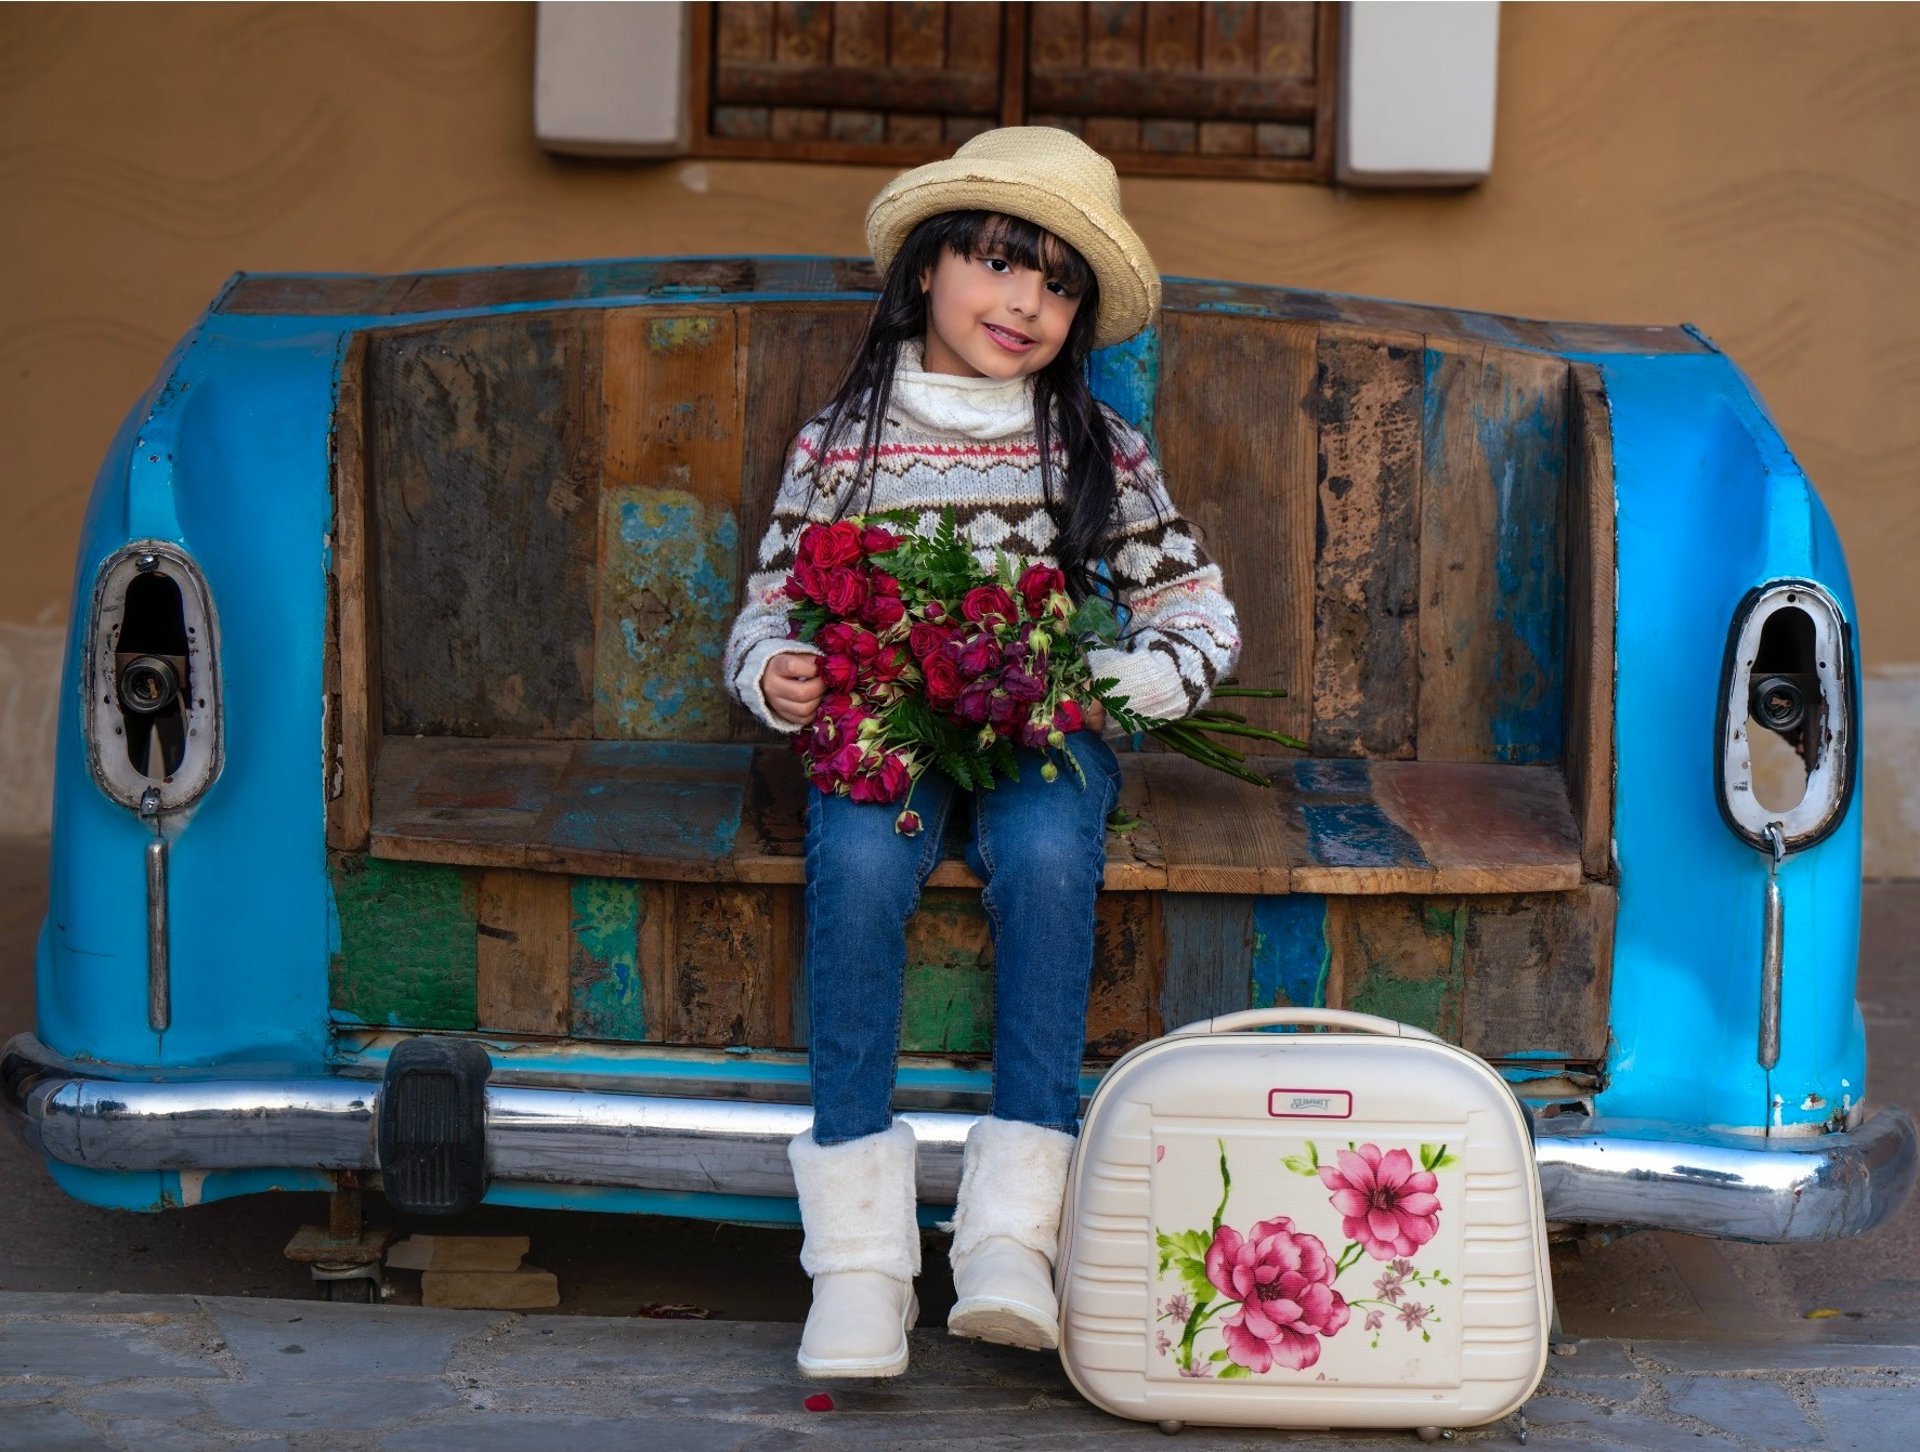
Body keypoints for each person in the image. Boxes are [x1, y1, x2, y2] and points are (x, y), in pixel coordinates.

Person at [720, 127, 1241, 1379]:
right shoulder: (843, 442)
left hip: (1035, 728)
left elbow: (1196, 610)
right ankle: (859, 1259)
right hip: (887, 728)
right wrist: (775, 671)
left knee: (1054, 855)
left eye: (1059, 285)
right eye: (1002, 263)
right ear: (928, 268)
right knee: (853, 866)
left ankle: (1009, 1236)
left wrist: (1136, 673)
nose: (1027, 302)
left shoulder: (1095, 449)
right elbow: (772, 607)